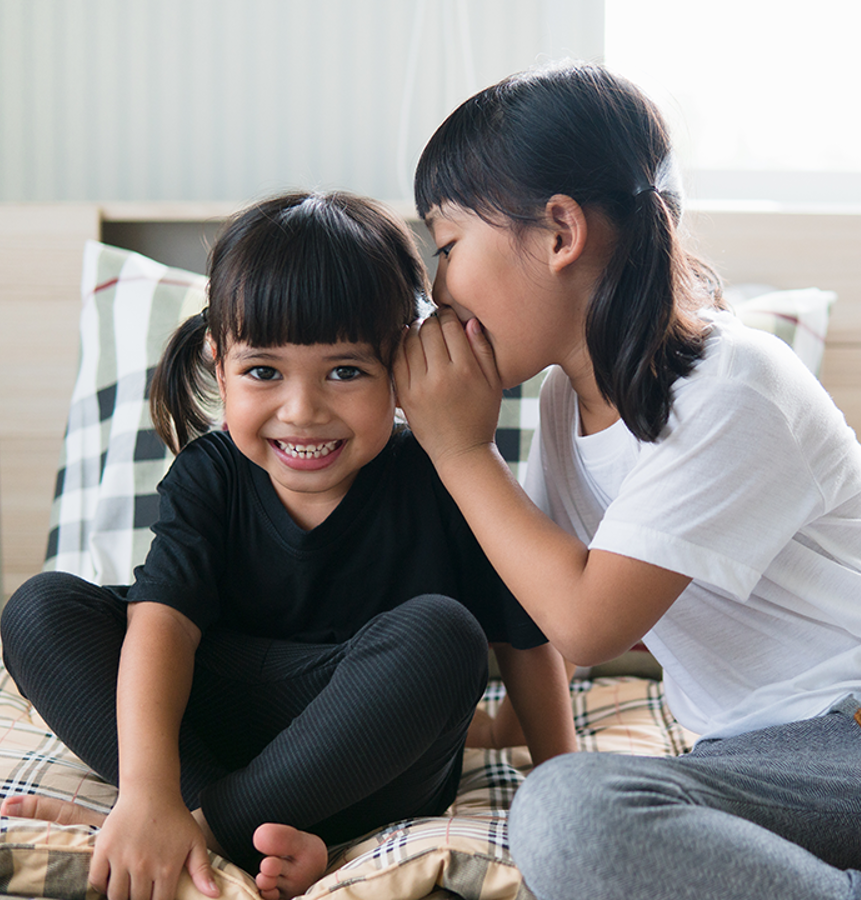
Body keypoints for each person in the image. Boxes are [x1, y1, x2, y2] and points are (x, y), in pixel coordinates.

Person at [395, 60, 861, 900]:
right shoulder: (565, 406)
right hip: (766, 759)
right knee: (578, 810)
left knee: (564, 810)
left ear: (560, 232)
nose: (438, 287)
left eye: (447, 247)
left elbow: (588, 624)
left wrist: (461, 452)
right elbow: (535, 605)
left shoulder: (732, 383)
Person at [0, 191, 576, 900]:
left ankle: (210, 829)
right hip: (211, 731)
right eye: (264, 372)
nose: (302, 410)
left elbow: (523, 642)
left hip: (365, 760)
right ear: (218, 360)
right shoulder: (211, 473)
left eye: (345, 372)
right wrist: (149, 793)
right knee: (39, 608)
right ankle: (199, 815)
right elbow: (165, 623)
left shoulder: (443, 473)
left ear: (400, 365)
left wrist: (564, 780)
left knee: (445, 634)